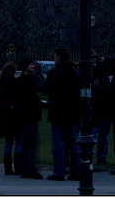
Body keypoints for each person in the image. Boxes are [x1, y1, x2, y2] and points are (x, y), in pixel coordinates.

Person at [43, 48, 80, 181]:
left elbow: (45, 89)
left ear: (58, 57)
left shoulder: (54, 72)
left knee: (58, 143)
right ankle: (76, 171)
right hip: (73, 111)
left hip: (57, 111)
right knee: (74, 142)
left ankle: (59, 171)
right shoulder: (76, 73)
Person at [14, 58, 45, 179]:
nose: (33, 67)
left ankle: (26, 167)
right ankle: (29, 167)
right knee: (30, 142)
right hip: (28, 115)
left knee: (28, 142)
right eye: (31, 65)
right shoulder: (24, 81)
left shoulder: (28, 80)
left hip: (30, 114)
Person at [0, 61, 20, 175]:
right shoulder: (15, 82)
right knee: (18, 141)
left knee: (8, 141)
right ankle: (18, 166)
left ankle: (7, 167)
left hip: (3, 115)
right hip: (15, 114)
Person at [91, 54, 115, 166]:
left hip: (99, 108)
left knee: (97, 134)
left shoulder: (97, 73)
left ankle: (97, 156)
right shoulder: (103, 74)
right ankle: (101, 156)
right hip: (103, 108)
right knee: (101, 135)